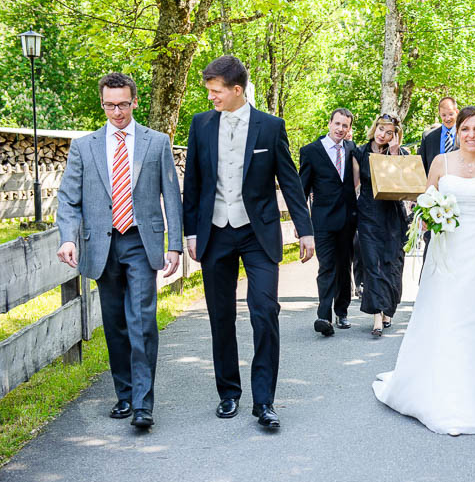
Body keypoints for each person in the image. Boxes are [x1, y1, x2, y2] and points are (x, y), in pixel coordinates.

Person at [182, 55, 315, 429]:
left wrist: (305, 230)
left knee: (264, 313)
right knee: (220, 316)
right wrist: (190, 232)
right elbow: (192, 183)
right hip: (214, 232)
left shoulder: (270, 127)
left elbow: (289, 180)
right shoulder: (201, 125)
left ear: (236, 90)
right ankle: (229, 393)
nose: (211, 97)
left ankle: (265, 402)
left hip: (258, 234)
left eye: (215, 91)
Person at [373, 106, 475, 435]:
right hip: (447, 249)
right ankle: (437, 388)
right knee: (445, 314)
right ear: (458, 130)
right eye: (466, 128)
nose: (471, 135)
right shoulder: (440, 162)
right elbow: (426, 197)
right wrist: (429, 212)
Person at [56, 72, 183, 430]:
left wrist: (174, 245)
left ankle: (143, 405)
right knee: (114, 324)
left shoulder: (156, 142)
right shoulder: (84, 146)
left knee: (142, 321)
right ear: (102, 103)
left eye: (123, 104)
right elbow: (68, 198)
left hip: (142, 242)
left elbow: (171, 196)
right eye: (110, 105)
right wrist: (68, 237)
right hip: (101, 245)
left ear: (135, 102)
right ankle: (125, 395)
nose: (117, 112)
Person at [298, 108, 358, 336]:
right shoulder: (311, 151)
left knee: (345, 266)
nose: (340, 129)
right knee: (327, 266)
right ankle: (324, 316)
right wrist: (301, 224)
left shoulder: (352, 149)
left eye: (345, 126)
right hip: (322, 221)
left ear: (349, 129)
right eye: (337, 124)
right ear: (329, 123)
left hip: (348, 219)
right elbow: (301, 191)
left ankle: (342, 311)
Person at [352, 114, 410, 337]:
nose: (382, 135)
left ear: (394, 135)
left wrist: (394, 154)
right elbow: (354, 184)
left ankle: (388, 310)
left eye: (388, 132)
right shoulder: (359, 152)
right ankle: (377, 316)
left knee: (391, 263)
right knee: (372, 264)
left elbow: (403, 184)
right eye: (380, 129)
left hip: (393, 216)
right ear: (374, 127)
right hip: (367, 215)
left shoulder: (400, 154)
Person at [418, 97, 459, 176]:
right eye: (444, 115)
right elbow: (422, 167)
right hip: (434, 186)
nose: (447, 118)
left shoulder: (465, 136)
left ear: (457, 112)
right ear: (439, 114)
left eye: (451, 114)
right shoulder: (428, 137)